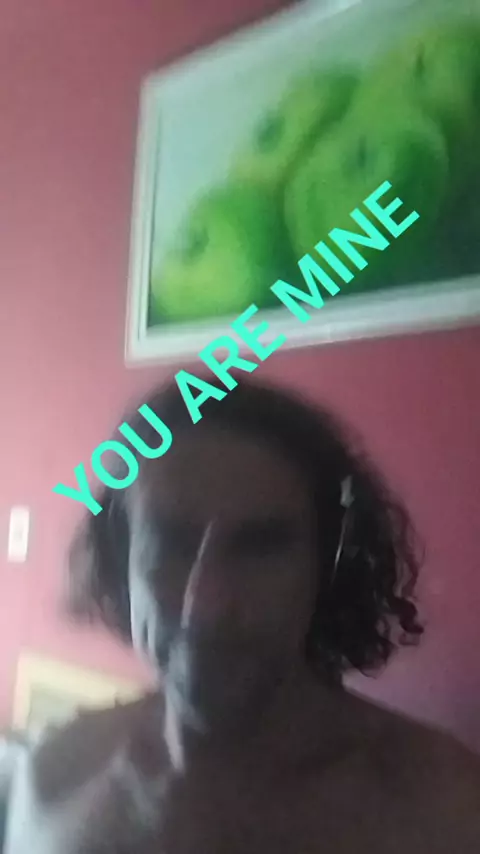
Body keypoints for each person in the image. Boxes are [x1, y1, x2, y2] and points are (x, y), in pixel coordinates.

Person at [5, 377, 480, 853]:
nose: (206, 608)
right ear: (119, 560)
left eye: (260, 548)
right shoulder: (51, 779)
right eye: (169, 544)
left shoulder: (446, 808)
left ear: (329, 563)